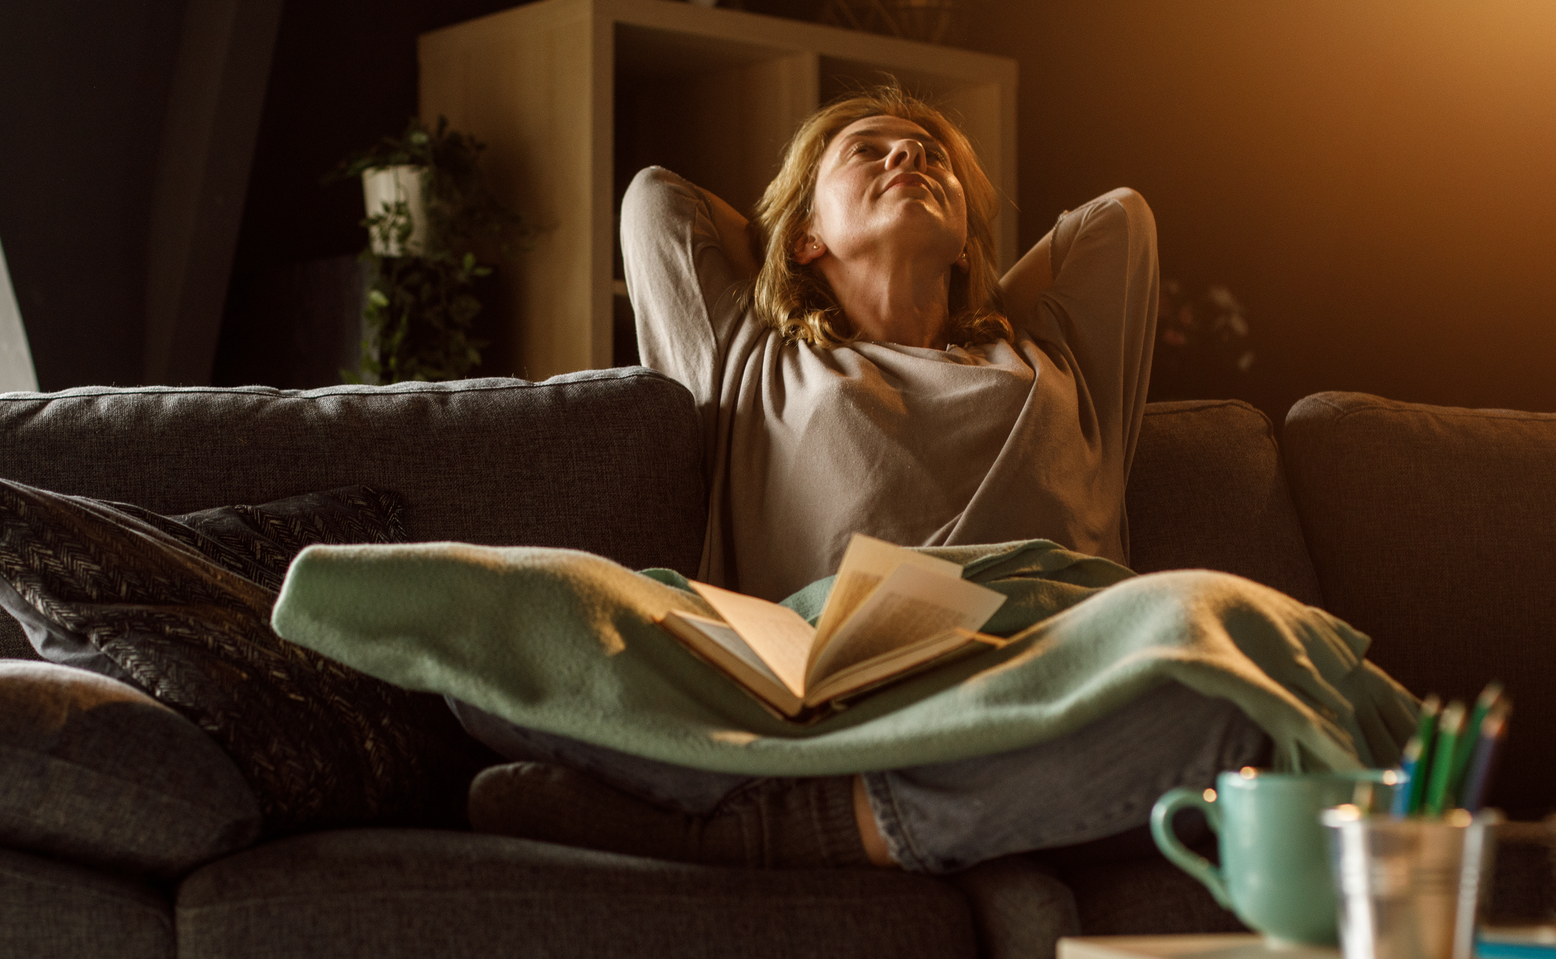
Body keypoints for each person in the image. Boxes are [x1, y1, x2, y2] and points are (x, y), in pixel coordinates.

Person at [457, 84, 1273, 873]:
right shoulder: (750, 356)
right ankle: (916, 807)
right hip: (845, 695)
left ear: (966, 240)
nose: (910, 152)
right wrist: (795, 239)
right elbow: (655, 202)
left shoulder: (1053, 359)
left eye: (932, 158)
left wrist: (960, 271)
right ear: (805, 233)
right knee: (482, 634)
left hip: (1046, 682)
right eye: (869, 151)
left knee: (1236, 694)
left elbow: (1117, 220)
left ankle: (784, 829)